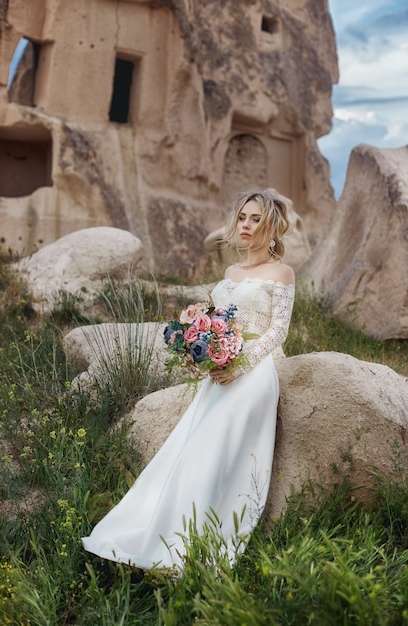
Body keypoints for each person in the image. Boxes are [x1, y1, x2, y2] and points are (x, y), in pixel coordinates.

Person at [82, 187, 295, 570]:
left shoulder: (282, 273)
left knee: (220, 449)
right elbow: (219, 322)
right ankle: (165, 532)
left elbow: (278, 332)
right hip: (219, 373)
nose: (246, 225)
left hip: (254, 375)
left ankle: (204, 542)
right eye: (243, 217)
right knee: (190, 448)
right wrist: (203, 353)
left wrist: (238, 365)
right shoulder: (231, 272)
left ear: (273, 226)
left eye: (256, 219)